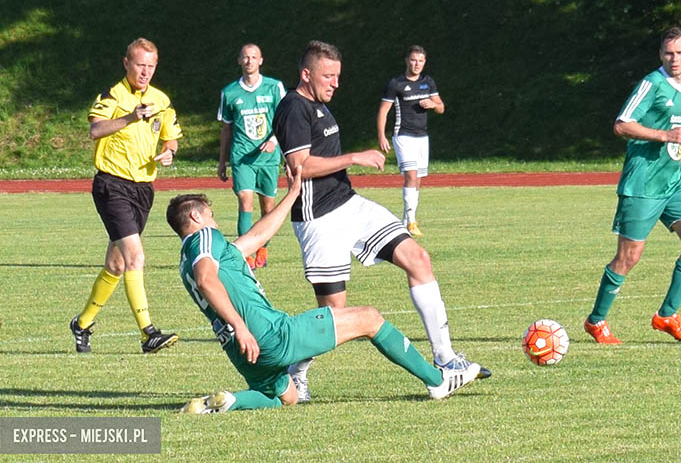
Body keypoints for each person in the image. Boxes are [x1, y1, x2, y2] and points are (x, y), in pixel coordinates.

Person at [273, 40, 489, 402]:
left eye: (338, 76)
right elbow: (300, 167)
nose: (335, 83)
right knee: (334, 316)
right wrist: (354, 157)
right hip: (318, 219)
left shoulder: (320, 106)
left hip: (350, 204)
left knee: (417, 258)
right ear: (306, 74)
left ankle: (446, 359)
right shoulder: (294, 108)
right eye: (328, 76)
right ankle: (295, 375)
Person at [167, 167, 481, 413]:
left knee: (286, 397)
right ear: (196, 217)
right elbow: (207, 279)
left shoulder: (196, 254)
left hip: (242, 353)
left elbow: (257, 235)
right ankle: (439, 380)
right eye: (210, 214)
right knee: (369, 318)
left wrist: (292, 194)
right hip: (267, 334)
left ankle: (232, 401)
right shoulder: (202, 239)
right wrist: (241, 327)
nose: (215, 220)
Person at [584, 26, 681, 344]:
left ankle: (666, 315)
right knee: (629, 257)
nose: (674, 58)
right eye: (669, 52)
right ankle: (596, 321)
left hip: (673, 181)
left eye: (680, 53)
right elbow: (622, 124)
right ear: (660, 55)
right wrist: (665, 137)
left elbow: (673, 131)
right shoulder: (651, 84)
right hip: (642, 183)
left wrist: (677, 155)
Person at [70, 37, 182, 354]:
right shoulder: (113, 96)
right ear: (126, 64)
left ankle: (82, 324)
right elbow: (95, 130)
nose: (145, 71)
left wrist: (168, 152)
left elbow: (170, 138)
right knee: (136, 257)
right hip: (112, 185)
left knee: (117, 265)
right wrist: (130, 117)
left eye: (150, 66)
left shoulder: (162, 100)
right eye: (139, 65)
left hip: (143, 189)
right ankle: (148, 333)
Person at [217, 44, 286, 270]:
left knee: (268, 208)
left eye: (253, 57)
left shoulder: (274, 88)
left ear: (261, 60)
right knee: (245, 200)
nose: (249, 61)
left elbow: (285, 120)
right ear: (239, 61)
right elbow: (226, 129)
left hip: (268, 157)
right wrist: (222, 161)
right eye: (245, 57)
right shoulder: (229, 93)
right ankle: (245, 255)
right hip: (242, 157)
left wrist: (274, 141)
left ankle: (263, 248)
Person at [376, 45, 445, 237]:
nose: (417, 64)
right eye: (414, 60)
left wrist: (434, 104)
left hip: (422, 137)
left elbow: (441, 107)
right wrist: (381, 135)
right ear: (407, 60)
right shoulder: (396, 83)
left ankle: (405, 221)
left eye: (421, 61)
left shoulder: (427, 82)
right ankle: (412, 221)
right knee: (411, 177)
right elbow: (383, 111)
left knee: (418, 180)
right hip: (403, 135)